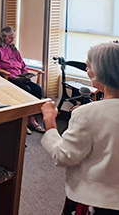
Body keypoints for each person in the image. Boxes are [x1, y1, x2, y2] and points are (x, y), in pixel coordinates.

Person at [40, 42, 119, 214]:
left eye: (88, 66)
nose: (87, 70)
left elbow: (63, 156)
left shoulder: (87, 114)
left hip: (95, 202)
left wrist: (50, 122)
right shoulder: (90, 113)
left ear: (98, 73)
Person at [0, 26, 45, 134]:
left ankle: (31, 118)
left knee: (37, 89)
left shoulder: (14, 49)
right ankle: (23, 121)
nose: (12, 40)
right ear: (3, 37)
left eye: (13, 38)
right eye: (10, 37)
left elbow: (22, 64)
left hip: (20, 76)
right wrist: (13, 77)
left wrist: (25, 74)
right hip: (7, 78)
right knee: (26, 90)